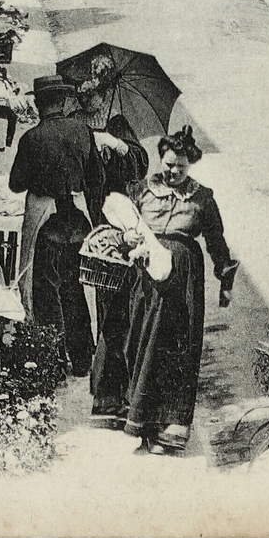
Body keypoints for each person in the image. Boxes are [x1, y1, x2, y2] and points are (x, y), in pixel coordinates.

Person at [114, 127, 237, 453]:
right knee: (139, 344)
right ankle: (143, 425)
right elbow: (122, 230)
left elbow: (216, 241)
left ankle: (170, 429)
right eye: (169, 164)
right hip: (146, 280)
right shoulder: (141, 191)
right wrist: (127, 241)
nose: (173, 171)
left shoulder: (203, 198)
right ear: (162, 159)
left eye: (180, 166)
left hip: (184, 281)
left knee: (177, 349)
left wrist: (225, 280)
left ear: (190, 163)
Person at [7, 75, 104, 376]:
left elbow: (15, 184)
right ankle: (83, 359)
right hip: (76, 223)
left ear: (37, 105)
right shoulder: (83, 131)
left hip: (46, 227)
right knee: (76, 291)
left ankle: (51, 360)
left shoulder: (31, 139)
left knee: (45, 293)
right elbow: (97, 179)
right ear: (63, 102)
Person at [84, 113, 151, 430]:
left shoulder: (117, 126)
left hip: (125, 239)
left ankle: (118, 396)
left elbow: (140, 162)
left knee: (126, 318)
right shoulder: (83, 134)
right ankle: (109, 397)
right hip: (105, 244)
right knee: (113, 318)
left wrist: (116, 144)